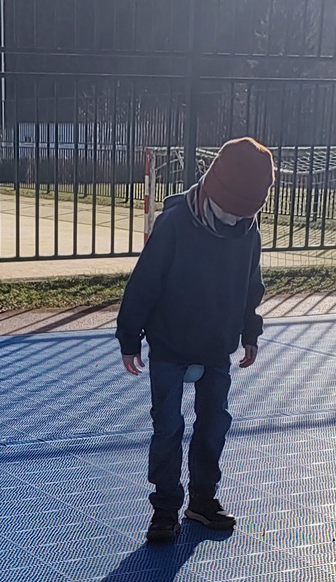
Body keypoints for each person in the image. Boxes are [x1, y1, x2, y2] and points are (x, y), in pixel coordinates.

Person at [116, 136, 273, 546]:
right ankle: (165, 507)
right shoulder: (175, 224)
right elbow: (144, 283)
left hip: (216, 344)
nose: (233, 220)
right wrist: (129, 336)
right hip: (170, 343)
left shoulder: (247, 232)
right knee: (168, 427)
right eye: (228, 210)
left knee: (213, 424)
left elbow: (251, 286)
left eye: (243, 215)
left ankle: (203, 498)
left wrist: (250, 331)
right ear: (211, 189)